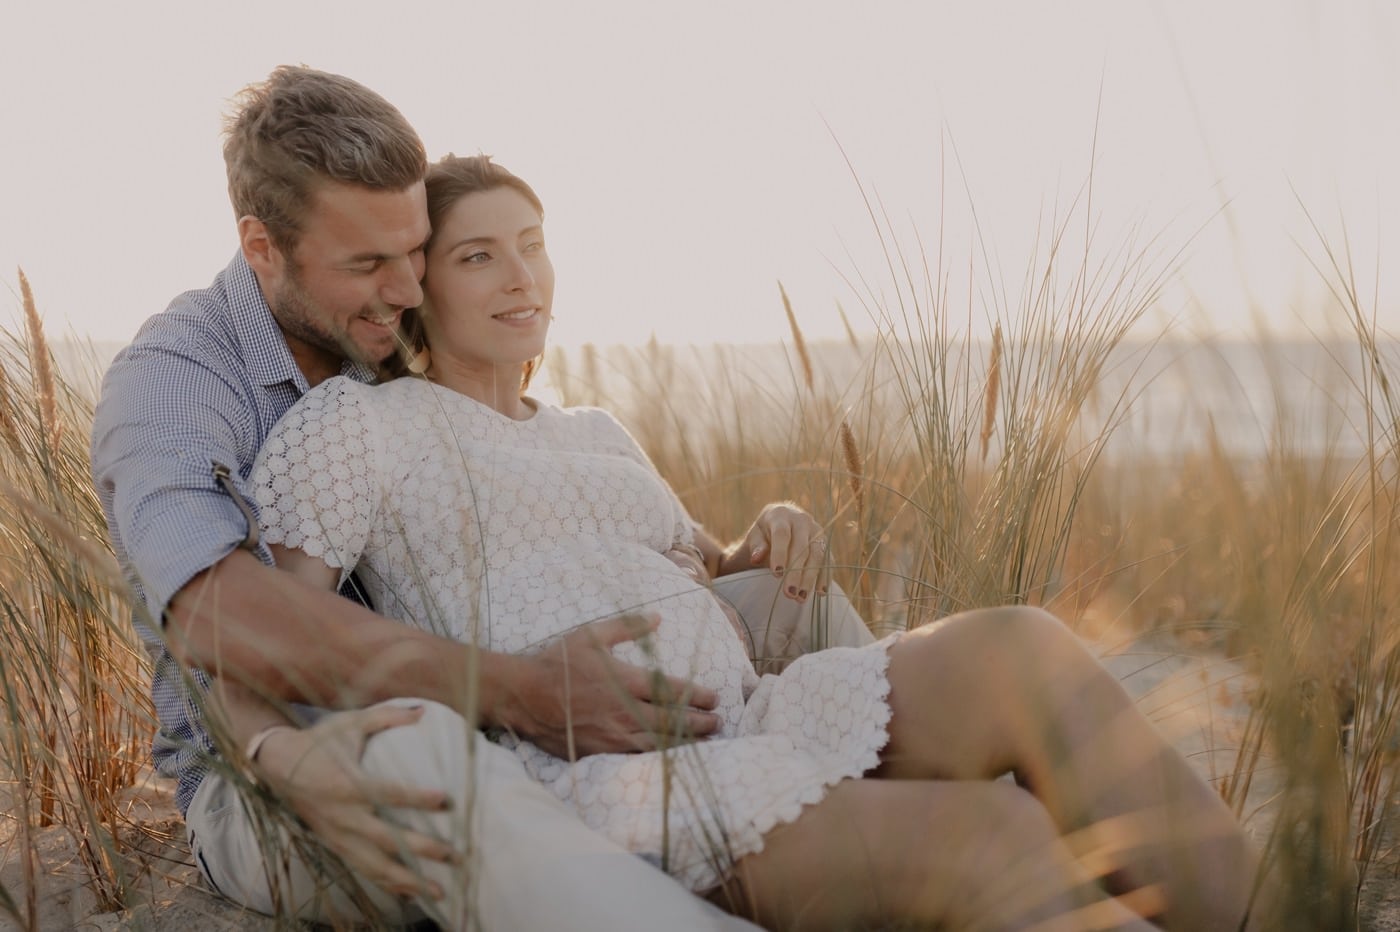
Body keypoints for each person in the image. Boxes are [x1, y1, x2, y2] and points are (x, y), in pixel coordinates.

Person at [250, 152, 1259, 931]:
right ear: (418, 283)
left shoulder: (595, 431)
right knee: (990, 830)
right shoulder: (363, 424)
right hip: (624, 775)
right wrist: (310, 750)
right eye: (479, 255)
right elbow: (282, 628)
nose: (523, 276)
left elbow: (706, 572)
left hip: (760, 713)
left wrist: (765, 535)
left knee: (1020, 649)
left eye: (534, 241)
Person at [91, 65, 854, 930]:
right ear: (263, 247)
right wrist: (510, 691)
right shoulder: (176, 385)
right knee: (431, 752)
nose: (411, 291)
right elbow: (214, 618)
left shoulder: (370, 333)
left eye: (417, 250)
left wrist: (738, 555)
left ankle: (918, 798)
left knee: (785, 597)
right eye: (371, 264)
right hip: (285, 766)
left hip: (471, 712)